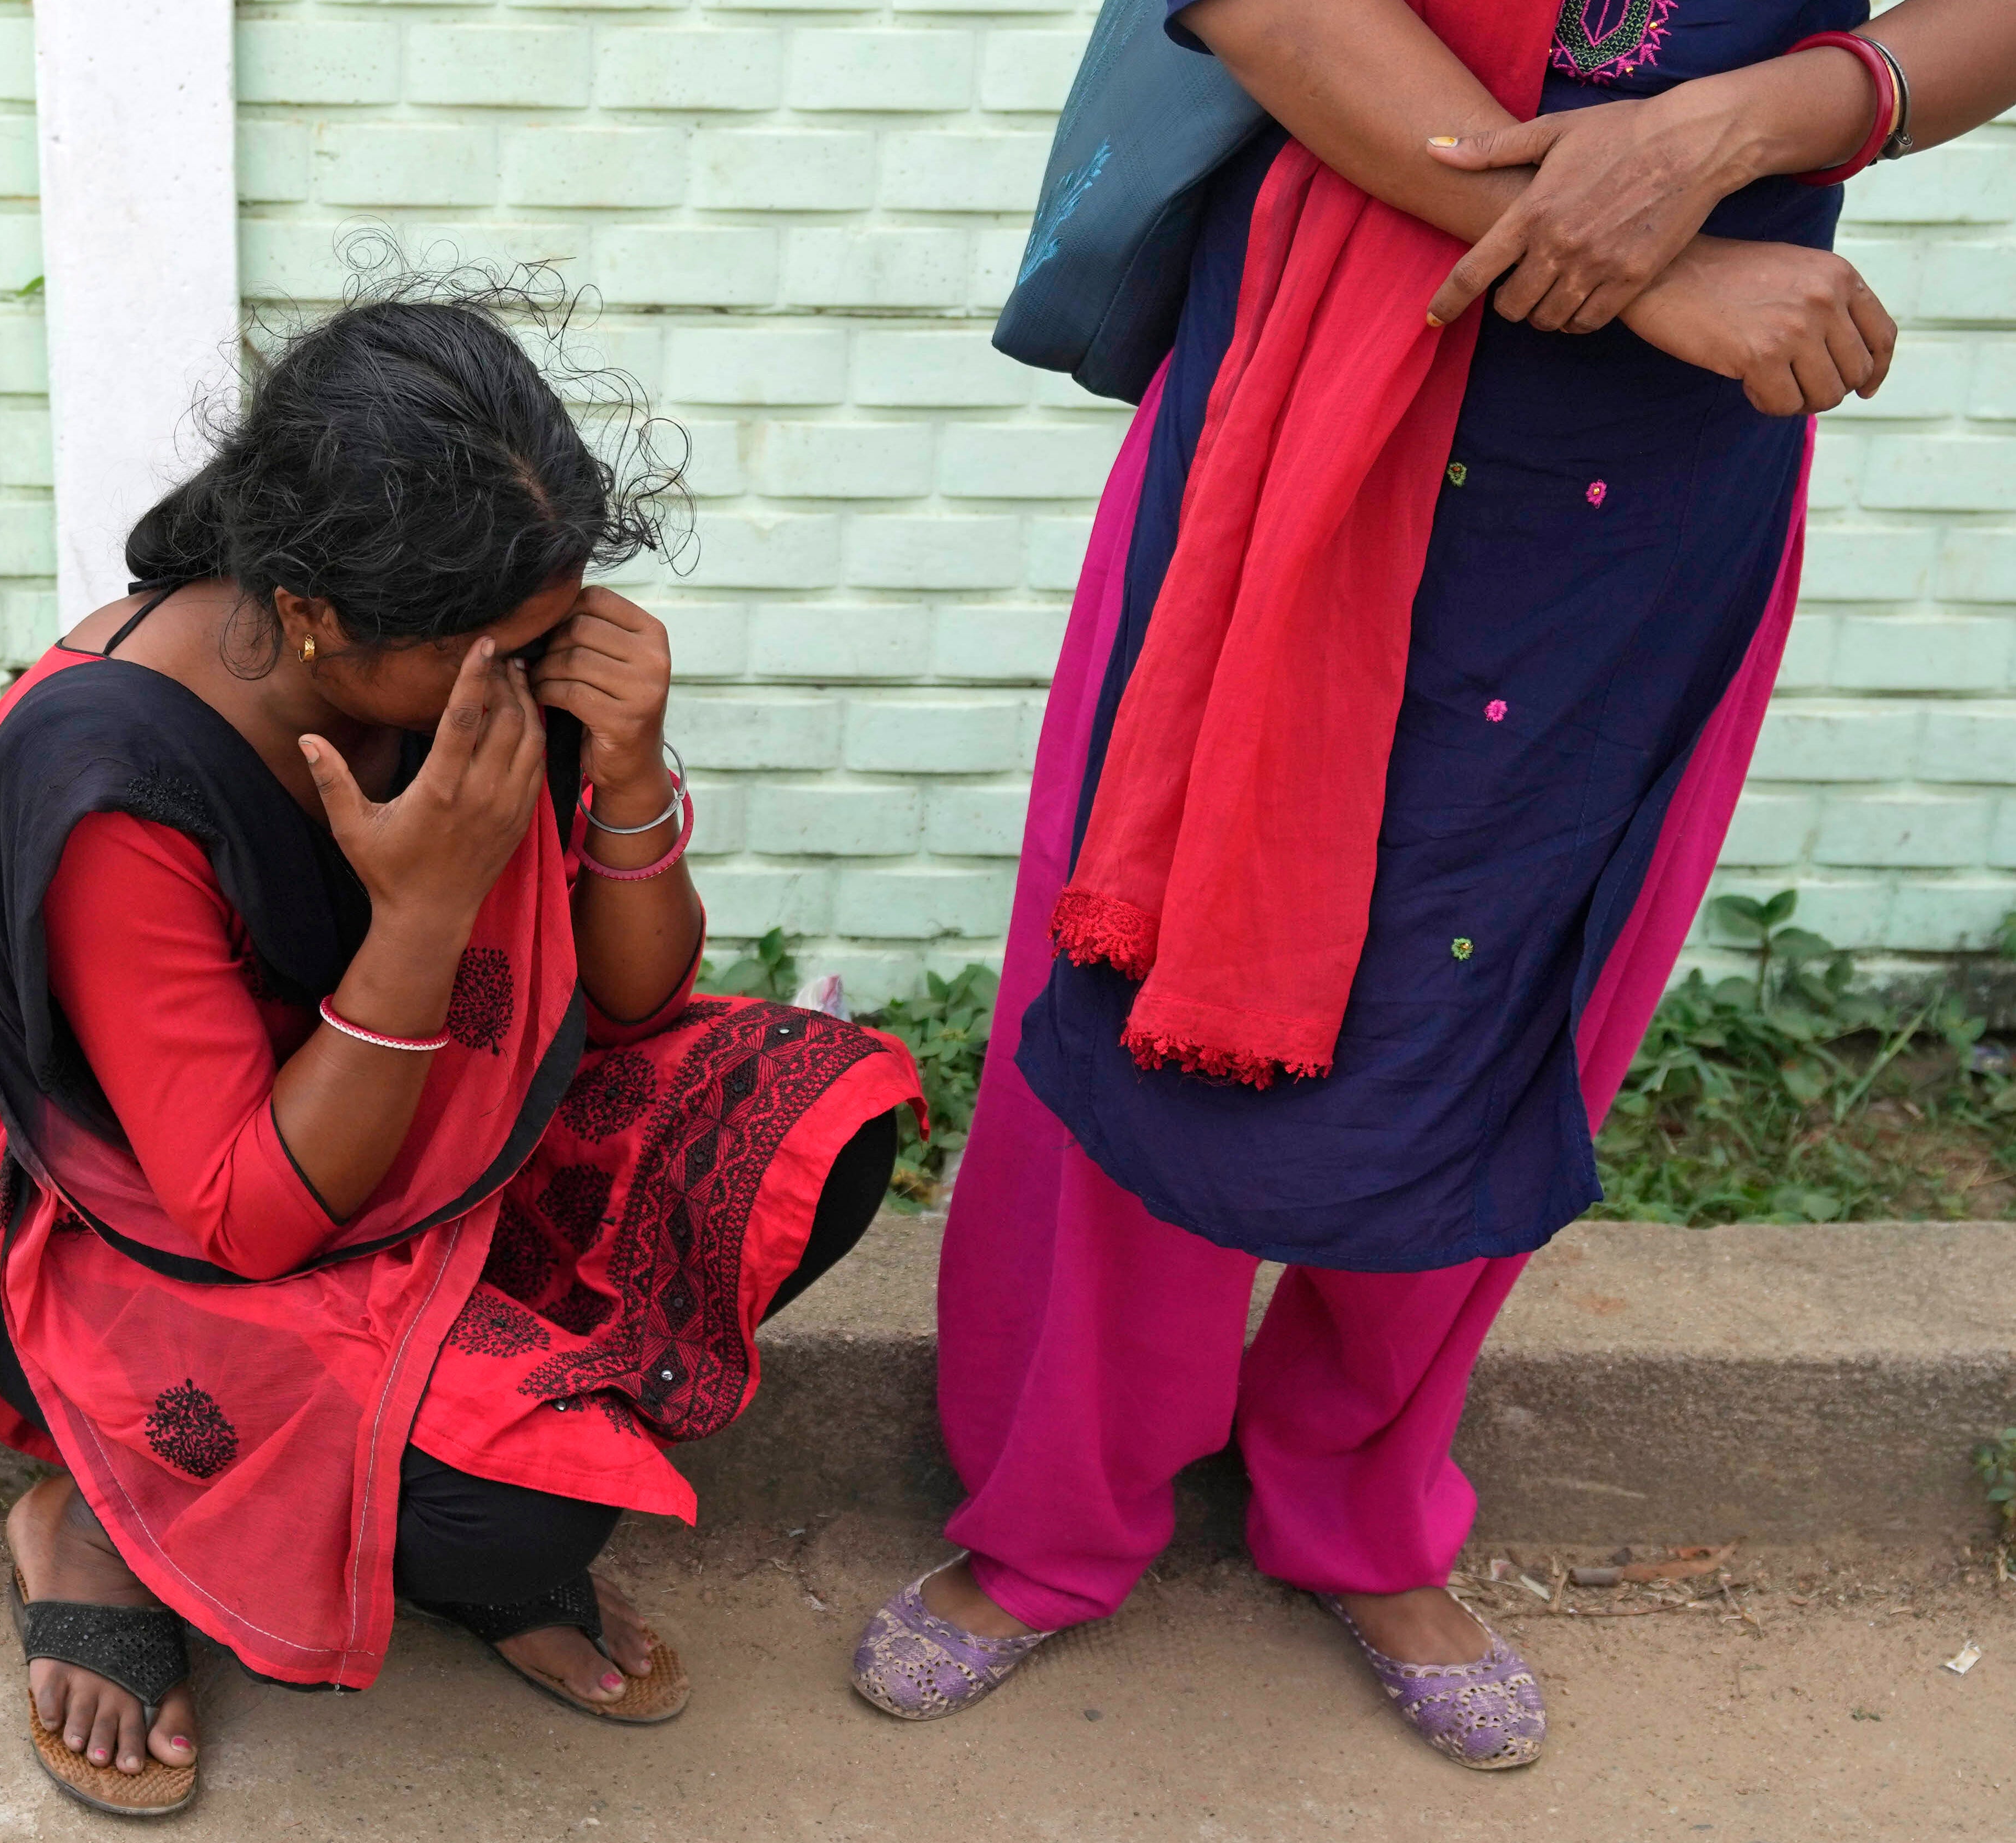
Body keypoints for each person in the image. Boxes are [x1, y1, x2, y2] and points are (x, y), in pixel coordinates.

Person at [853, 0, 2016, 1771]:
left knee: (1525, 959)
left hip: (1676, 442)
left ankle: (1361, 1498)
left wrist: (1753, 124)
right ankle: (1057, 1511)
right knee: (1147, 942)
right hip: (1329, 341)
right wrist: (1646, 261)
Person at [0, 275, 921, 1818]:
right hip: (150, 1243)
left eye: (555, 630)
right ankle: (95, 1517)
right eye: (504, 647)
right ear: (324, 619)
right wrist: (420, 914)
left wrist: (629, 767)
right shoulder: (110, 779)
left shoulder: (478, 648)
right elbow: (245, 1212)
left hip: (423, 1144)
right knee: (515, 1524)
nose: (530, 670)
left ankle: (453, 1428)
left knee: (812, 1123)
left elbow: (631, 1007)